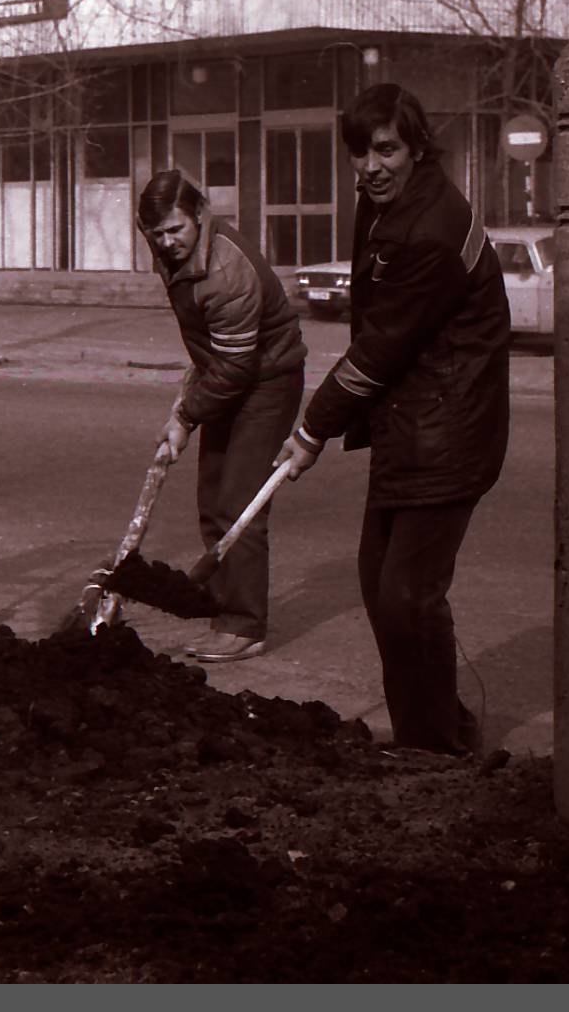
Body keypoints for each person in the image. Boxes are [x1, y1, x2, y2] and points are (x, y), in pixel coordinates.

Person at [274, 83, 511, 755]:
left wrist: (310, 429)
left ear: (415, 148)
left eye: (385, 149)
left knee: (407, 597)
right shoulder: (390, 203)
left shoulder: (428, 231)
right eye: (359, 152)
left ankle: (433, 750)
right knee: (383, 594)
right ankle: (434, 735)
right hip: (414, 419)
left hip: (449, 426)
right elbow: (377, 329)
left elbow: (380, 348)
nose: (369, 166)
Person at [137, 171, 306, 663]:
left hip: (267, 381)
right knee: (212, 497)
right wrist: (190, 397)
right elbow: (217, 358)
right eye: (157, 234)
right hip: (225, 371)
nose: (167, 243)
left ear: (200, 214)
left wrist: (185, 418)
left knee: (238, 501)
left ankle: (245, 625)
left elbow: (236, 369)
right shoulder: (176, 251)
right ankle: (223, 606)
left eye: (176, 230)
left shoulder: (227, 271)